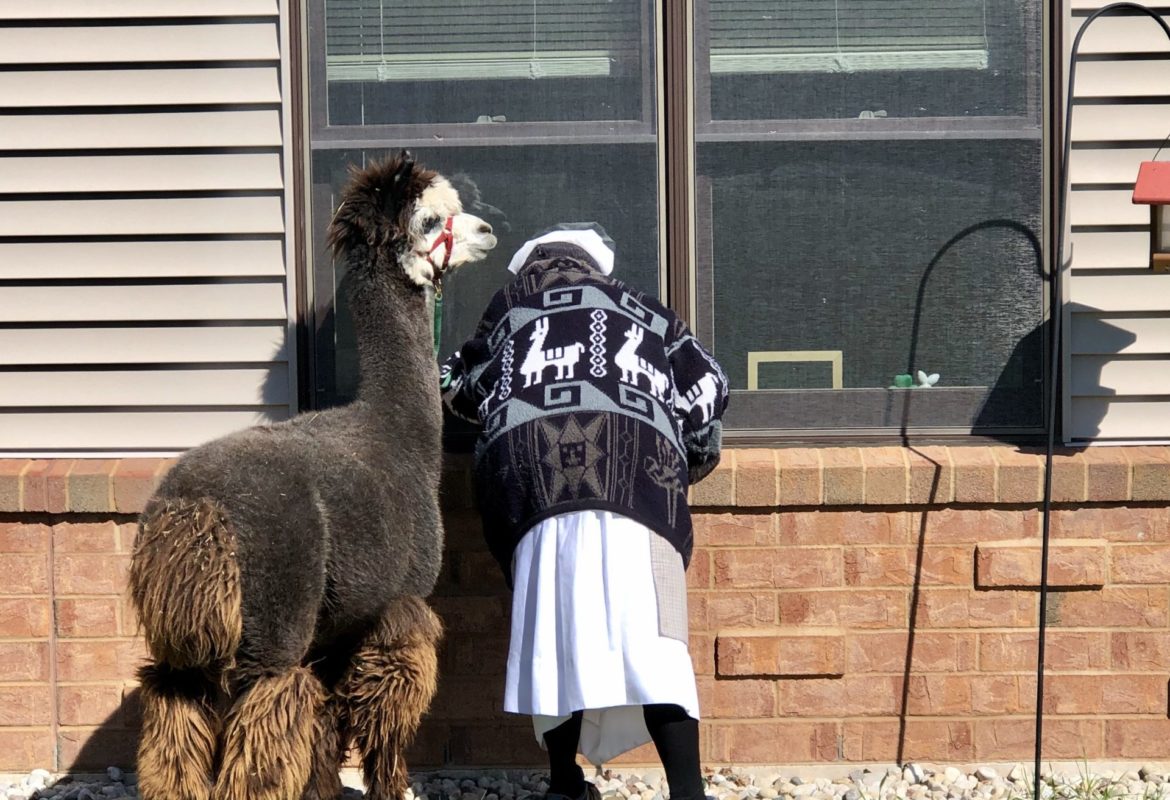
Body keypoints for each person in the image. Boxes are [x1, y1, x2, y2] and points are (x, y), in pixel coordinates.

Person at [440, 223, 728, 800]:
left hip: (535, 489)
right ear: (597, 268)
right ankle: (688, 792)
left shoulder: (510, 310)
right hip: (641, 482)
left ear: (531, 267)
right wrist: (688, 458)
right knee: (658, 644)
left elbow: (454, 387)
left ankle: (565, 783)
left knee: (554, 632)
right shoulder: (648, 311)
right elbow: (709, 389)